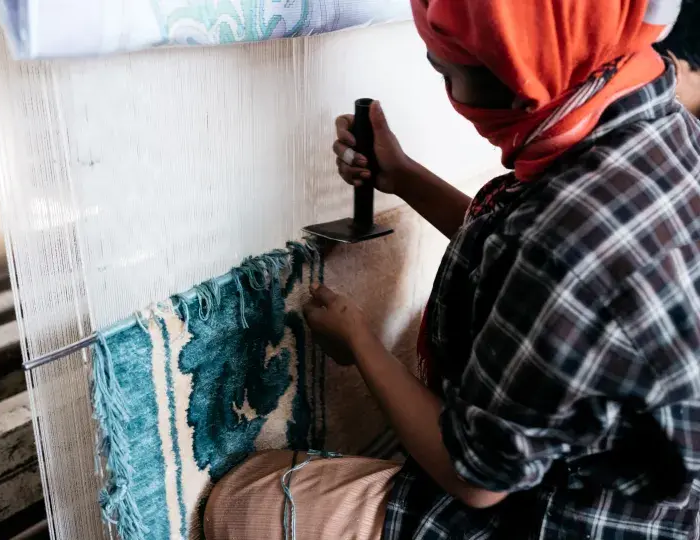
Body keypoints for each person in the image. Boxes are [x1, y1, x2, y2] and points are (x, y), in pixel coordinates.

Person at [205, 0, 700, 538]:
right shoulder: (654, 118)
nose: (447, 92)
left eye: (445, 72)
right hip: (651, 486)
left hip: (570, 515)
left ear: (519, 80)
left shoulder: (572, 238)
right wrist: (406, 177)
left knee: (241, 506)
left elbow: (478, 480)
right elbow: (532, 259)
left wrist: (362, 344)